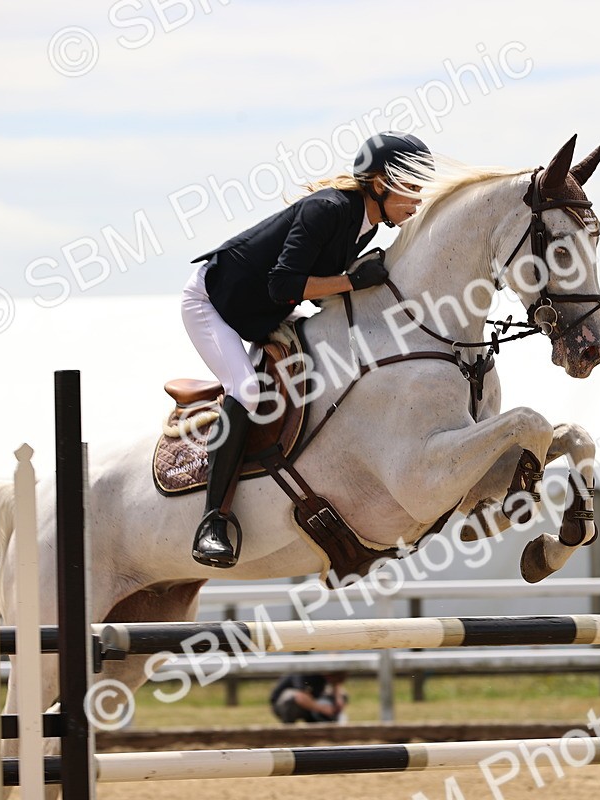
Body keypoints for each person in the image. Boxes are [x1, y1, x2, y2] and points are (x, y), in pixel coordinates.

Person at [181, 131, 434, 569]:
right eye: (412, 186)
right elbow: (284, 285)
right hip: (214, 304)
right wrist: (354, 281)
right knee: (246, 389)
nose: (418, 199)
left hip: (262, 311)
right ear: (379, 183)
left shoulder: (365, 224)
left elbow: (308, 291)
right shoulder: (329, 209)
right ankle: (213, 522)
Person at [269, 671, 349, 724]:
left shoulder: (325, 675)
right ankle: (289, 731)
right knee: (291, 698)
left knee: (343, 695)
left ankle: (321, 727)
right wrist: (322, 709)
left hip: (310, 702)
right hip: (282, 705)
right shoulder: (305, 670)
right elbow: (300, 696)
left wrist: (338, 699)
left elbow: (335, 683)